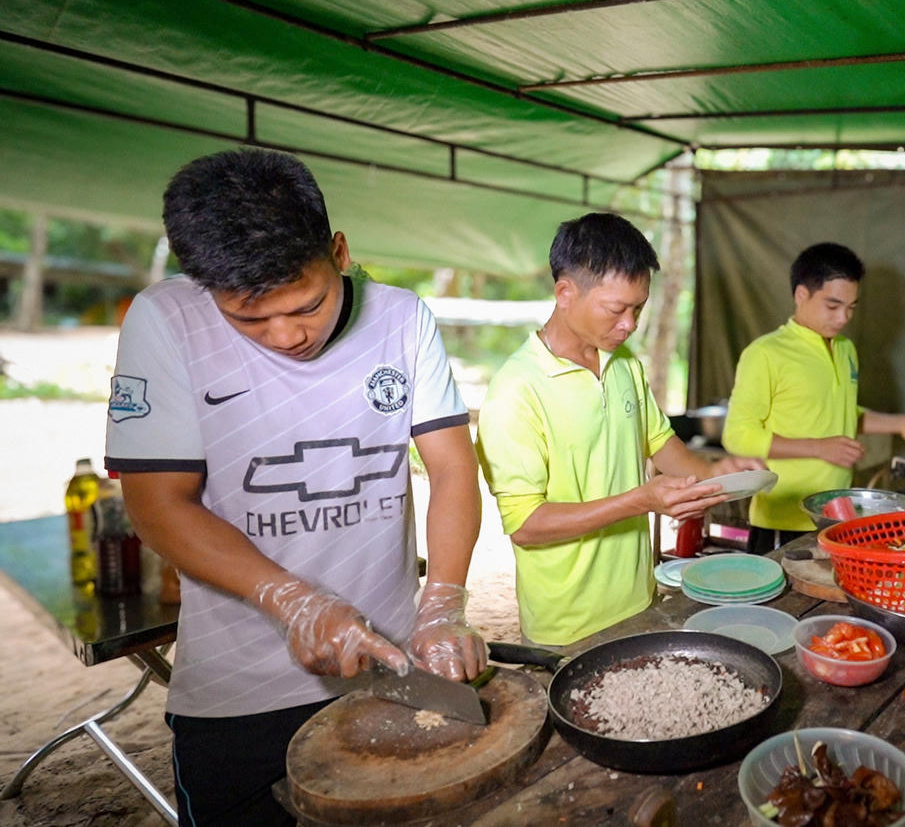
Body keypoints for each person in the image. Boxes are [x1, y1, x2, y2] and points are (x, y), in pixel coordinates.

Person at [104, 148, 487, 826]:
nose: (286, 335)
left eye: (308, 304)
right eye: (250, 319)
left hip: (392, 669)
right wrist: (291, 600)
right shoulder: (165, 321)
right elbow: (157, 504)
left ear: (338, 251)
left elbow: (453, 468)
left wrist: (442, 602)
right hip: (239, 692)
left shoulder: (401, 318)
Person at [476, 212, 765, 647]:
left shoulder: (624, 363)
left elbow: (661, 444)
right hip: (569, 625)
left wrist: (717, 472)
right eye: (617, 309)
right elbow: (527, 525)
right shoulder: (516, 392)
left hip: (639, 601)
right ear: (565, 293)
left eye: (639, 308)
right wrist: (641, 500)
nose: (630, 324)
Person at [723, 242, 905, 553]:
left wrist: (899, 423)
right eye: (833, 306)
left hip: (835, 517)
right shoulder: (765, 353)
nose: (843, 318)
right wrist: (819, 448)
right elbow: (738, 436)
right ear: (801, 295)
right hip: (783, 519)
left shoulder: (845, 349)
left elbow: (840, 412)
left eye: (851, 307)